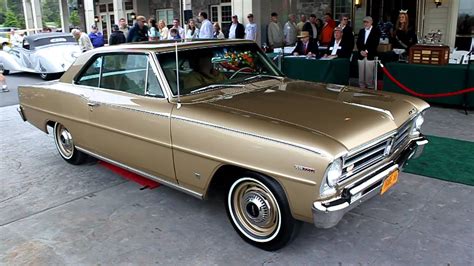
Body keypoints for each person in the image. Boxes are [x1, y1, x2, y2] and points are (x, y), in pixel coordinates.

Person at [356, 16, 380, 89]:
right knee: (361, 74)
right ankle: (361, 87)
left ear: (371, 22)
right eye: (364, 22)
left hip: (370, 55)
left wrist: (366, 51)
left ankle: (370, 88)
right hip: (361, 55)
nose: (365, 24)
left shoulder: (376, 31)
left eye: (367, 22)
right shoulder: (361, 31)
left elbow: (375, 43)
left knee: (369, 74)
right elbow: (358, 43)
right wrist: (361, 51)